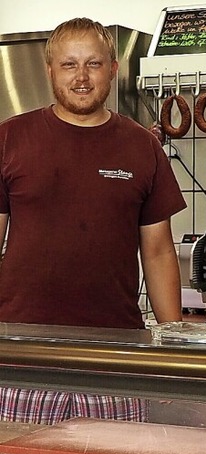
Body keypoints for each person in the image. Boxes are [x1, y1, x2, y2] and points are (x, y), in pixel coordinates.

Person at [0, 17, 186, 422]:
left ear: (113, 68)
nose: (81, 78)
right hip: (20, 352)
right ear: (50, 71)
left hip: (115, 353)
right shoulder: (10, 137)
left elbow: (157, 252)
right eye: (69, 65)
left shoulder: (142, 146)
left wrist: (172, 346)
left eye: (93, 64)